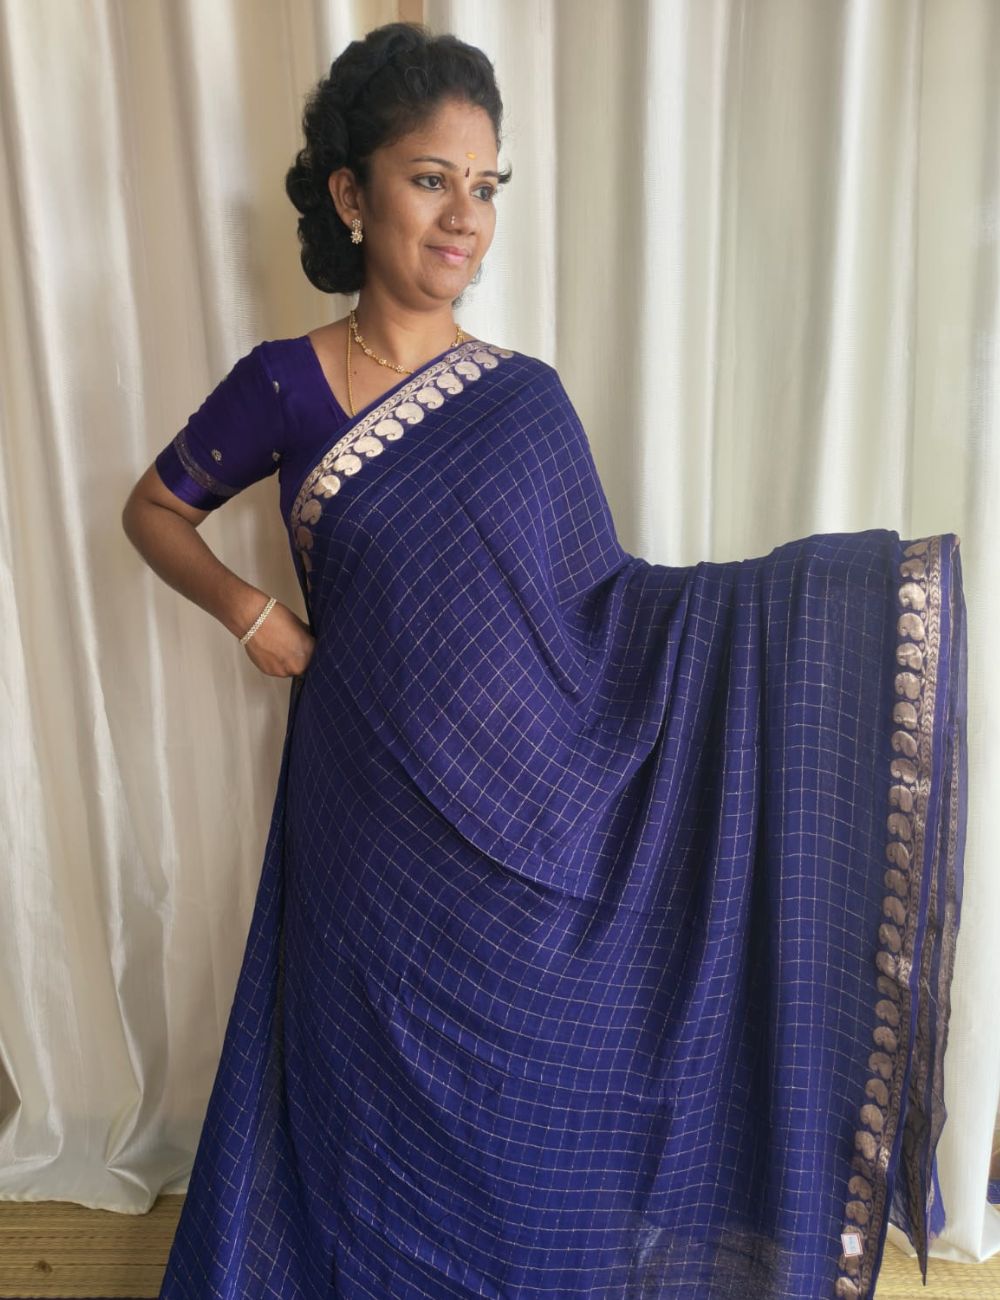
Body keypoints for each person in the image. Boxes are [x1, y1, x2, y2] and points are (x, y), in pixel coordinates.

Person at [121, 21, 969, 1300]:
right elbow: (152, 509)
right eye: (430, 179)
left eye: (486, 184)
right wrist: (249, 612)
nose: (464, 215)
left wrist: (829, 608)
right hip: (366, 813)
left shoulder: (523, 398)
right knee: (365, 1102)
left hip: (529, 820)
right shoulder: (286, 385)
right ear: (351, 194)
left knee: (530, 1104)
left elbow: (607, 615)